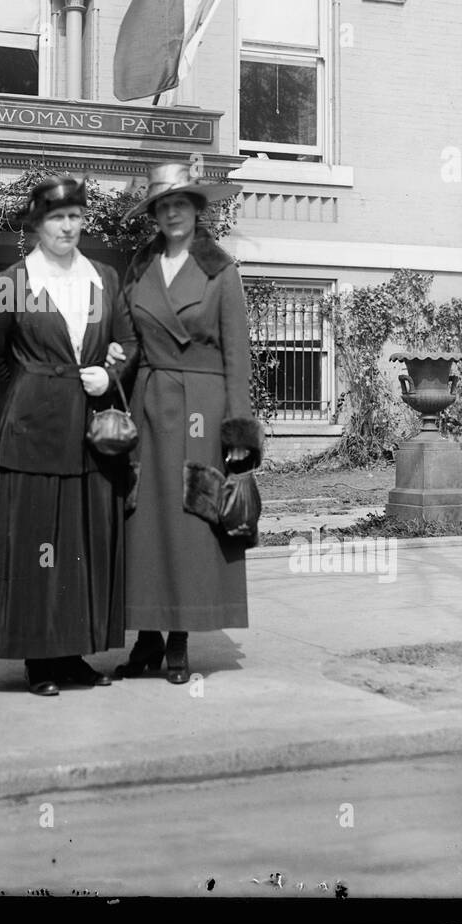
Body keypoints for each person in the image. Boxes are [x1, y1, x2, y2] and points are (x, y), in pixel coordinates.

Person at [0, 175, 138, 696]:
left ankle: (71, 654)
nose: (68, 226)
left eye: (75, 216)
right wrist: (28, 396)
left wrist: (109, 375)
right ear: (37, 224)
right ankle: (39, 660)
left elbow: (128, 342)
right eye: (56, 218)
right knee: (35, 544)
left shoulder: (105, 278)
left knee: (79, 543)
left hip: (88, 435)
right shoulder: (12, 282)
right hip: (32, 435)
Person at [111, 162, 264, 685]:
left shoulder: (222, 271)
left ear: (199, 210)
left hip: (204, 406)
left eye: (181, 203)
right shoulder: (138, 268)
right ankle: (147, 635)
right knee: (145, 521)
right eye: (162, 205)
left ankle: (179, 638)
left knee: (191, 520)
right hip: (149, 403)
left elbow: (237, 356)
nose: (172, 212)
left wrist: (238, 431)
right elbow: (127, 343)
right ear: (154, 214)